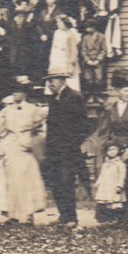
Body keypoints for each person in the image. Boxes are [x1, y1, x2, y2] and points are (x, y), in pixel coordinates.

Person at [0, 81, 49, 223]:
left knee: (28, 179)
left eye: (18, 92)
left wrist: (33, 142)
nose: (15, 94)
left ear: (24, 94)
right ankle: (13, 213)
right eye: (13, 92)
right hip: (12, 146)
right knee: (11, 180)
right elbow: (2, 133)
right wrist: (3, 148)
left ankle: (29, 213)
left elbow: (40, 130)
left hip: (27, 146)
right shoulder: (5, 111)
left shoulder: (34, 110)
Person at [43, 70, 89, 226]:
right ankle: (63, 215)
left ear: (63, 80)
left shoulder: (75, 97)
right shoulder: (54, 99)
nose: (50, 84)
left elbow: (82, 123)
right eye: (49, 81)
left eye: (53, 80)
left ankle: (71, 217)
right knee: (56, 183)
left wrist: (75, 144)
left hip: (69, 149)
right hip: (54, 149)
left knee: (67, 181)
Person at [93, 143, 127, 223]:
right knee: (105, 202)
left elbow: (122, 176)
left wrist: (120, 186)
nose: (112, 152)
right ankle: (105, 220)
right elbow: (102, 175)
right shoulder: (105, 164)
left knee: (114, 202)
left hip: (114, 186)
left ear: (118, 151)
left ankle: (116, 219)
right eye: (109, 150)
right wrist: (97, 184)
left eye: (114, 149)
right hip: (105, 187)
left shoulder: (120, 164)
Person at [48, 15, 82, 93]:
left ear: (64, 23)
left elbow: (73, 51)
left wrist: (70, 65)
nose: (57, 24)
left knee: (69, 81)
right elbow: (54, 48)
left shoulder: (71, 34)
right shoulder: (57, 33)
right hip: (56, 60)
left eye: (59, 22)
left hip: (66, 61)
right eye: (57, 22)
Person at [79, 18, 108, 97]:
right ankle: (91, 96)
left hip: (98, 61)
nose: (87, 29)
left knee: (98, 79)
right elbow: (83, 50)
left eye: (88, 27)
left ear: (93, 27)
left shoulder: (102, 37)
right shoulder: (85, 38)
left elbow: (104, 50)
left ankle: (98, 96)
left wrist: (98, 60)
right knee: (89, 79)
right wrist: (88, 60)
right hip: (88, 62)